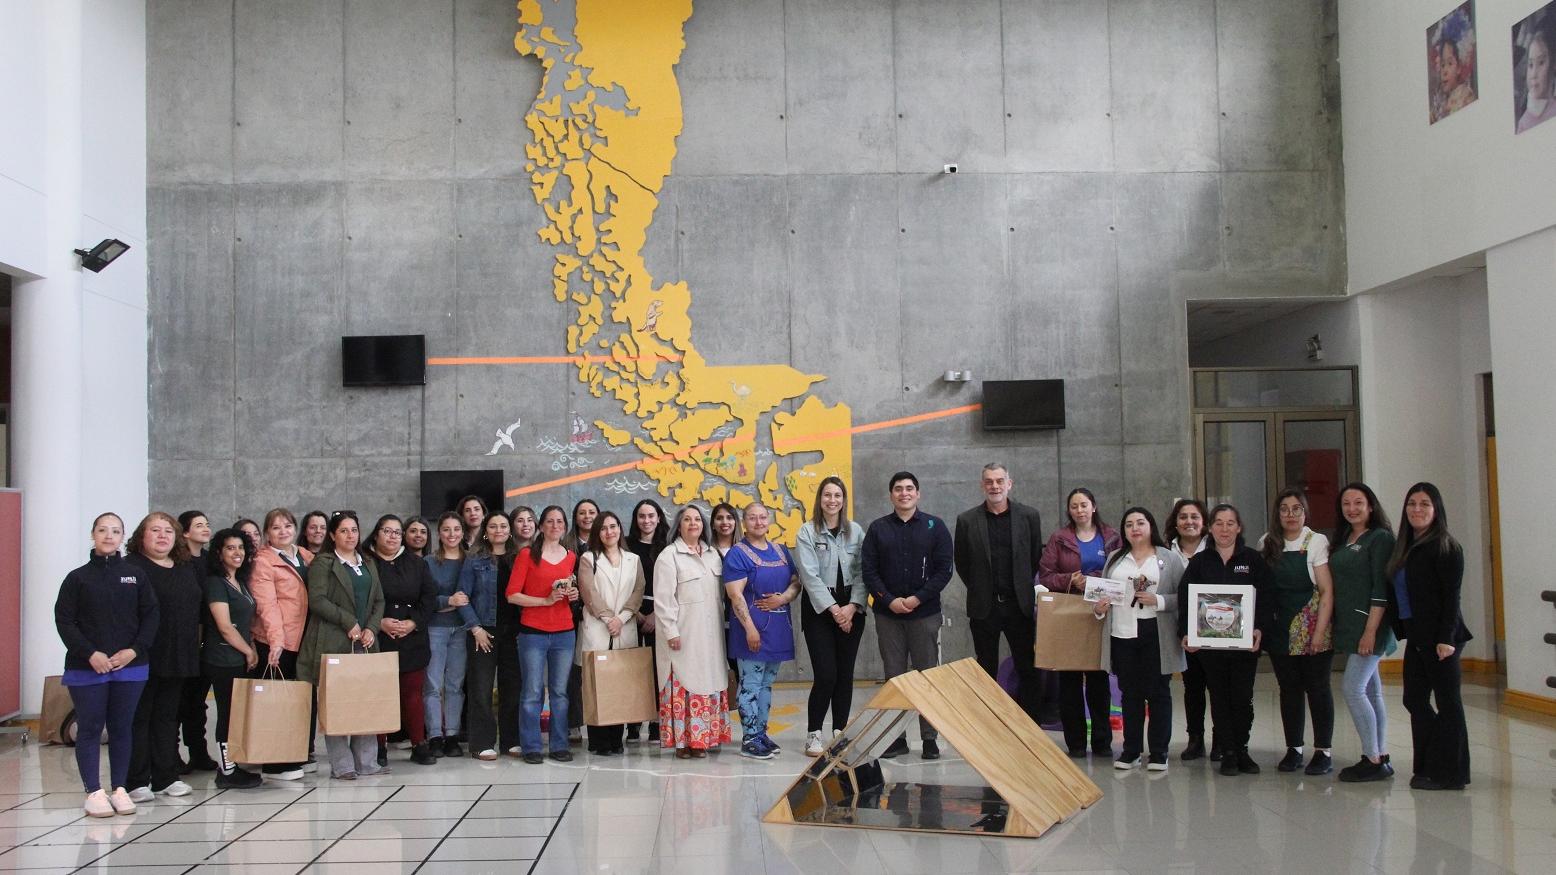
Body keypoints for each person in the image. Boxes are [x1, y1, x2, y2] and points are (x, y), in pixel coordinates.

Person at [55, 513, 159, 816]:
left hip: (130, 666)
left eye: (115, 531)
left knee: (122, 727)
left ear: (123, 537)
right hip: (87, 667)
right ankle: (93, 791)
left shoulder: (136, 575)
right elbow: (65, 621)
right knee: (89, 727)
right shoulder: (77, 578)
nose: (109, 536)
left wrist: (134, 650)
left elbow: (151, 615)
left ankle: (120, 788)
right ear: (93, 535)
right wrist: (90, 653)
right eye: (103, 530)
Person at [862, 471, 953, 760]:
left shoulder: (934, 527)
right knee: (895, 678)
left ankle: (929, 739)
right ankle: (896, 738)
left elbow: (944, 570)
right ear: (891, 495)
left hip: (924, 614)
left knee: (927, 677)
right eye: (898, 489)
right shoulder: (878, 529)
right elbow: (869, 571)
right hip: (889, 616)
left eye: (909, 488)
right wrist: (888, 600)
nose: (904, 493)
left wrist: (917, 599)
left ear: (918, 493)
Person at [1387, 483, 1471, 791]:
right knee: (1414, 699)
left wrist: (1446, 638)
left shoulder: (1446, 547)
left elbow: (1452, 597)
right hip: (1418, 635)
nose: (1417, 510)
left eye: (1424, 504)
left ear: (1436, 510)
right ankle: (1429, 764)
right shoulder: (1406, 546)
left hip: (1441, 638)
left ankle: (1452, 773)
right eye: (1412, 503)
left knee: (1449, 704)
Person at [1178, 504, 1272, 777]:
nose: (1224, 529)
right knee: (1219, 698)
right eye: (1219, 523)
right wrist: (1186, 632)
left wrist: (1259, 629)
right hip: (1211, 649)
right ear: (1211, 528)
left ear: (1239, 527)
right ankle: (1228, 753)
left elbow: (1266, 598)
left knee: (1242, 698)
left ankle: (1242, 749)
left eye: (1230, 523)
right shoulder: (1199, 562)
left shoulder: (1253, 560)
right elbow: (1186, 601)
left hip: (1244, 647)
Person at [954, 463, 1046, 726]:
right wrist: (981, 588)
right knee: (985, 667)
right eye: (989, 482)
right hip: (985, 606)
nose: (994, 486)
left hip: (1019, 605)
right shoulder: (967, 520)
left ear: (1009, 483)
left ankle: (1031, 723)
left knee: (1027, 665)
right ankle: (989, 722)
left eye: (999, 481)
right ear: (982, 485)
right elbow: (962, 562)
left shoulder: (1029, 516)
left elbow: (1033, 558)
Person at [1093, 508, 1185, 772]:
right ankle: (1131, 750)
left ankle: (1159, 751)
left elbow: (1184, 597)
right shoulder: (1115, 558)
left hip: (1156, 632)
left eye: (1141, 523)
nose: (1135, 528)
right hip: (1123, 631)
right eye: (1129, 524)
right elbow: (1102, 593)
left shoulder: (1168, 558)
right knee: (1129, 693)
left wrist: (1159, 600)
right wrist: (1099, 608)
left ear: (1150, 526)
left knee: (1158, 693)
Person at [298, 512, 387, 780]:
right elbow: (318, 600)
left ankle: (367, 762)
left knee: (365, 701)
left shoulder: (368, 562)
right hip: (334, 640)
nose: (351, 536)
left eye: (354, 530)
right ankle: (342, 765)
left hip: (366, 642)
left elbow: (379, 601)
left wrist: (371, 627)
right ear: (333, 535)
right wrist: (348, 622)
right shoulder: (323, 563)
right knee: (336, 704)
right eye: (344, 531)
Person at [1038, 487, 1121, 758]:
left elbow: (1121, 572)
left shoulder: (1111, 537)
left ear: (1093, 506)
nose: (1079, 510)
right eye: (1074, 506)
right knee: (1069, 682)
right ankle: (1075, 742)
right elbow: (1046, 575)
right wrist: (1070, 579)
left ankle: (1101, 741)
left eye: (1084, 505)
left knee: (1099, 680)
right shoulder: (1059, 538)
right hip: (1069, 612)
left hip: (1100, 613)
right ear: (1069, 511)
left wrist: (1096, 581)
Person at [1260, 489, 1337, 776]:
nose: (1290, 515)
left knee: (1318, 688)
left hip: (1312, 625)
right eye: (1284, 509)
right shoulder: (1267, 543)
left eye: (1296, 509)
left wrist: (1319, 633)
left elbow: (1327, 591)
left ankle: (1323, 751)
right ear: (1277, 514)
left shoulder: (1316, 541)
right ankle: (1294, 748)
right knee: (1288, 690)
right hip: (1281, 628)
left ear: (1305, 512)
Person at [125, 512, 200, 801]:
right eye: (154, 530)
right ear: (141, 536)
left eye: (168, 531)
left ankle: (166, 777)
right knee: (140, 717)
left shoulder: (184, 566)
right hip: (143, 654)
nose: (162, 536)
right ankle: (136, 780)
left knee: (168, 718)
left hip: (179, 654)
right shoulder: (132, 567)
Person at [1329, 483, 1398, 783]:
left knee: (1352, 689)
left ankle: (1371, 757)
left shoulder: (1380, 539)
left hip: (1369, 627)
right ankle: (1380, 753)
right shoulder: (1346, 537)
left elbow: (1380, 589)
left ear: (1371, 506)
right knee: (1371, 691)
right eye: (1346, 503)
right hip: (1350, 625)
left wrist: (1370, 632)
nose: (1352, 508)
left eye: (1359, 503)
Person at [795, 476, 867, 756]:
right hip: (819, 611)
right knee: (826, 673)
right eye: (827, 495)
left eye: (837, 495)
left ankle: (840, 732)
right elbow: (809, 575)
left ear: (844, 499)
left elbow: (863, 571)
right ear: (820, 499)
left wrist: (852, 606)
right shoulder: (807, 531)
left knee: (845, 674)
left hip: (852, 609)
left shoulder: (856, 531)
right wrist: (835, 610)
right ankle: (814, 733)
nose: (832, 500)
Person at [654, 505, 734, 757]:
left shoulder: (712, 555)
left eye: (697, 519)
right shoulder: (669, 556)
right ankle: (683, 743)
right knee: (684, 683)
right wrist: (671, 632)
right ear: (679, 525)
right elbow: (663, 600)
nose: (693, 523)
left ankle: (704, 740)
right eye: (687, 519)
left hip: (711, 635)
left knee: (709, 680)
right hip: (683, 634)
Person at [724, 503, 800, 760]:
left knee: (767, 684)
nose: (759, 522)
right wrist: (749, 629)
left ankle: (761, 733)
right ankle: (749, 738)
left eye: (762, 517)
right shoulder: (738, 554)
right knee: (750, 684)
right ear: (744, 523)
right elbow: (735, 596)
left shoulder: (780, 550)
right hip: (752, 630)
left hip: (779, 627)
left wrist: (784, 598)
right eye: (752, 518)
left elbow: (795, 582)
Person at [506, 506, 580, 763]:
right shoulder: (527, 555)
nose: (555, 525)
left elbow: (570, 589)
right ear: (541, 526)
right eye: (550, 521)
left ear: (565, 526)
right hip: (533, 633)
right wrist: (545, 600)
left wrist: (573, 595)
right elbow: (512, 594)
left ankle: (559, 744)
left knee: (560, 692)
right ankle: (532, 746)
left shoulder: (570, 556)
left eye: (560, 521)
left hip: (564, 632)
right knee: (532, 691)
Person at [248, 508, 315, 779]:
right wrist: (276, 641)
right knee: (277, 703)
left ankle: (298, 752)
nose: (283, 531)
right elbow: (267, 605)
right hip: (277, 642)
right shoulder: (263, 561)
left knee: (297, 700)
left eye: (287, 526)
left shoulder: (306, 556)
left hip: (303, 638)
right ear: (267, 534)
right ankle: (275, 762)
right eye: (276, 528)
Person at [368, 514, 439, 765]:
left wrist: (413, 623)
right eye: (387, 531)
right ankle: (379, 747)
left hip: (412, 636)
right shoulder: (366, 562)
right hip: (378, 637)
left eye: (397, 532)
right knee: (381, 693)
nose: (392, 536)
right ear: (376, 534)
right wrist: (380, 622)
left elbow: (430, 598)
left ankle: (419, 744)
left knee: (413, 693)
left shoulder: (416, 563)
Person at [576, 511, 645, 755]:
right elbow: (588, 592)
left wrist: (622, 618)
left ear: (620, 529)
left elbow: (638, 591)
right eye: (603, 528)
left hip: (624, 627)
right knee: (598, 685)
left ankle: (617, 739)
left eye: (613, 526)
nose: (609, 532)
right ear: (597, 532)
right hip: (598, 627)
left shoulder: (633, 559)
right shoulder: (588, 558)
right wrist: (608, 619)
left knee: (620, 685)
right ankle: (598, 741)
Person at [201, 529, 263, 789]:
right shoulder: (216, 583)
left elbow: (245, 622)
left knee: (236, 714)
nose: (237, 553)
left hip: (238, 656)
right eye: (230, 548)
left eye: (241, 547)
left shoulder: (241, 582)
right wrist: (248, 651)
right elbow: (225, 626)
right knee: (226, 714)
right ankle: (226, 772)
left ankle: (234, 764)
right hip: (222, 657)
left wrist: (251, 646)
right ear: (219, 553)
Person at [456, 511, 514, 761]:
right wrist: (475, 628)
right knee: (480, 689)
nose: (498, 530)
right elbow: (462, 596)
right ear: (486, 531)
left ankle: (512, 741)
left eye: (503, 526)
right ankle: (481, 743)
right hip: (483, 631)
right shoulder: (473, 559)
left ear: (510, 531)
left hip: (514, 631)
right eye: (493, 526)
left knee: (513, 688)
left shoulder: (519, 557)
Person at [1165, 498, 1211, 761]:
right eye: (1183, 517)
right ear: (1176, 522)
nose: (1189, 522)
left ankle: (1222, 739)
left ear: (1203, 522)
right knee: (1192, 686)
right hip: (1181, 629)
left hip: (1214, 628)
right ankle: (1195, 739)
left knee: (1217, 686)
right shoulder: (1166, 552)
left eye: (1194, 517)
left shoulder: (1217, 548)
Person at [175, 509, 218, 773]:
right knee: (179, 701)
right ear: (186, 532)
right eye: (199, 525)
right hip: (184, 639)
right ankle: (172, 753)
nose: (205, 528)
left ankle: (198, 751)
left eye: (207, 524)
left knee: (198, 701)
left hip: (207, 639)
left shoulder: (210, 561)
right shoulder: (178, 562)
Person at [625, 499, 670, 744]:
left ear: (659, 518)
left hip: (660, 613)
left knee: (656, 669)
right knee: (632, 669)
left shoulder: (668, 546)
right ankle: (632, 723)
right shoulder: (626, 544)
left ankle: (655, 721)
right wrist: (637, 612)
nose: (646, 521)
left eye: (651, 516)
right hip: (631, 612)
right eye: (641, 516)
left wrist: (655, 614)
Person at [424, 512, 469, 757]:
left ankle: (452, 734)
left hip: (461, 628)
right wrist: (447, 600)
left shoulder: (469, 561)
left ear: (462, 532)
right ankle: (434, 735)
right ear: (439, 533)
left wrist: (458, 604)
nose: (452, 534)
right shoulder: (429, 562)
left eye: (456, 529)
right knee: (432, 684)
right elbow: (424, 597)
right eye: (446, 530)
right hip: (435, 628)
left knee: (455, 685)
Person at [499, 506, 537, 755]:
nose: (525, 525)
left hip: (537, 625)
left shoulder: (545, 551)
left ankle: (526, 736)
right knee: (516, 687)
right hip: (509, 625)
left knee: (528, 685)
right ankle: (512, 739)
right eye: (519, 521)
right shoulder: (507, 555)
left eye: (530, 520)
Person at [1518, 20, 1556, 132]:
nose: (1534, 74)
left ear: (1553, 64)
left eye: (1541, 63)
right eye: (1530, 65)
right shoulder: (1523, 123)